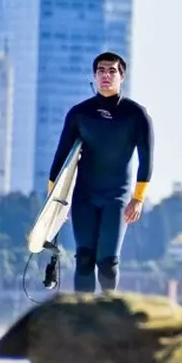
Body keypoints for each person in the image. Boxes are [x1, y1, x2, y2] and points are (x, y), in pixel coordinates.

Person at [47, 51, 154, 293]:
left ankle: (107, 314)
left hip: (117, 197)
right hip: (84, 195)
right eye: (101, 71)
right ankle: (83, 319)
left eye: (112, 71)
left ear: (122, 76)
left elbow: (146, 160)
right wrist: (54, 205)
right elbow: (61, 158)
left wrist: (137, 199)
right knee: (84, 259)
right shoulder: (79, 114)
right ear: (94, 76)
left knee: (107, 262)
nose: (106, 75)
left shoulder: (137, 115)